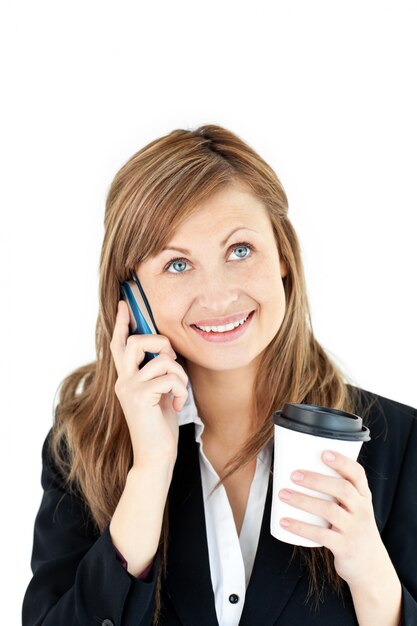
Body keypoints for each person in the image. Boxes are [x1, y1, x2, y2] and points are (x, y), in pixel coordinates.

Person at [22, 124, 417, 626]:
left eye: (240, 250)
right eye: (177, 265)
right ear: (132, 298)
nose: (217, 296)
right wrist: (149, 474)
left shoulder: (400, 443)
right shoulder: (81, 447)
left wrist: (376, 584)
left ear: (283, 259)